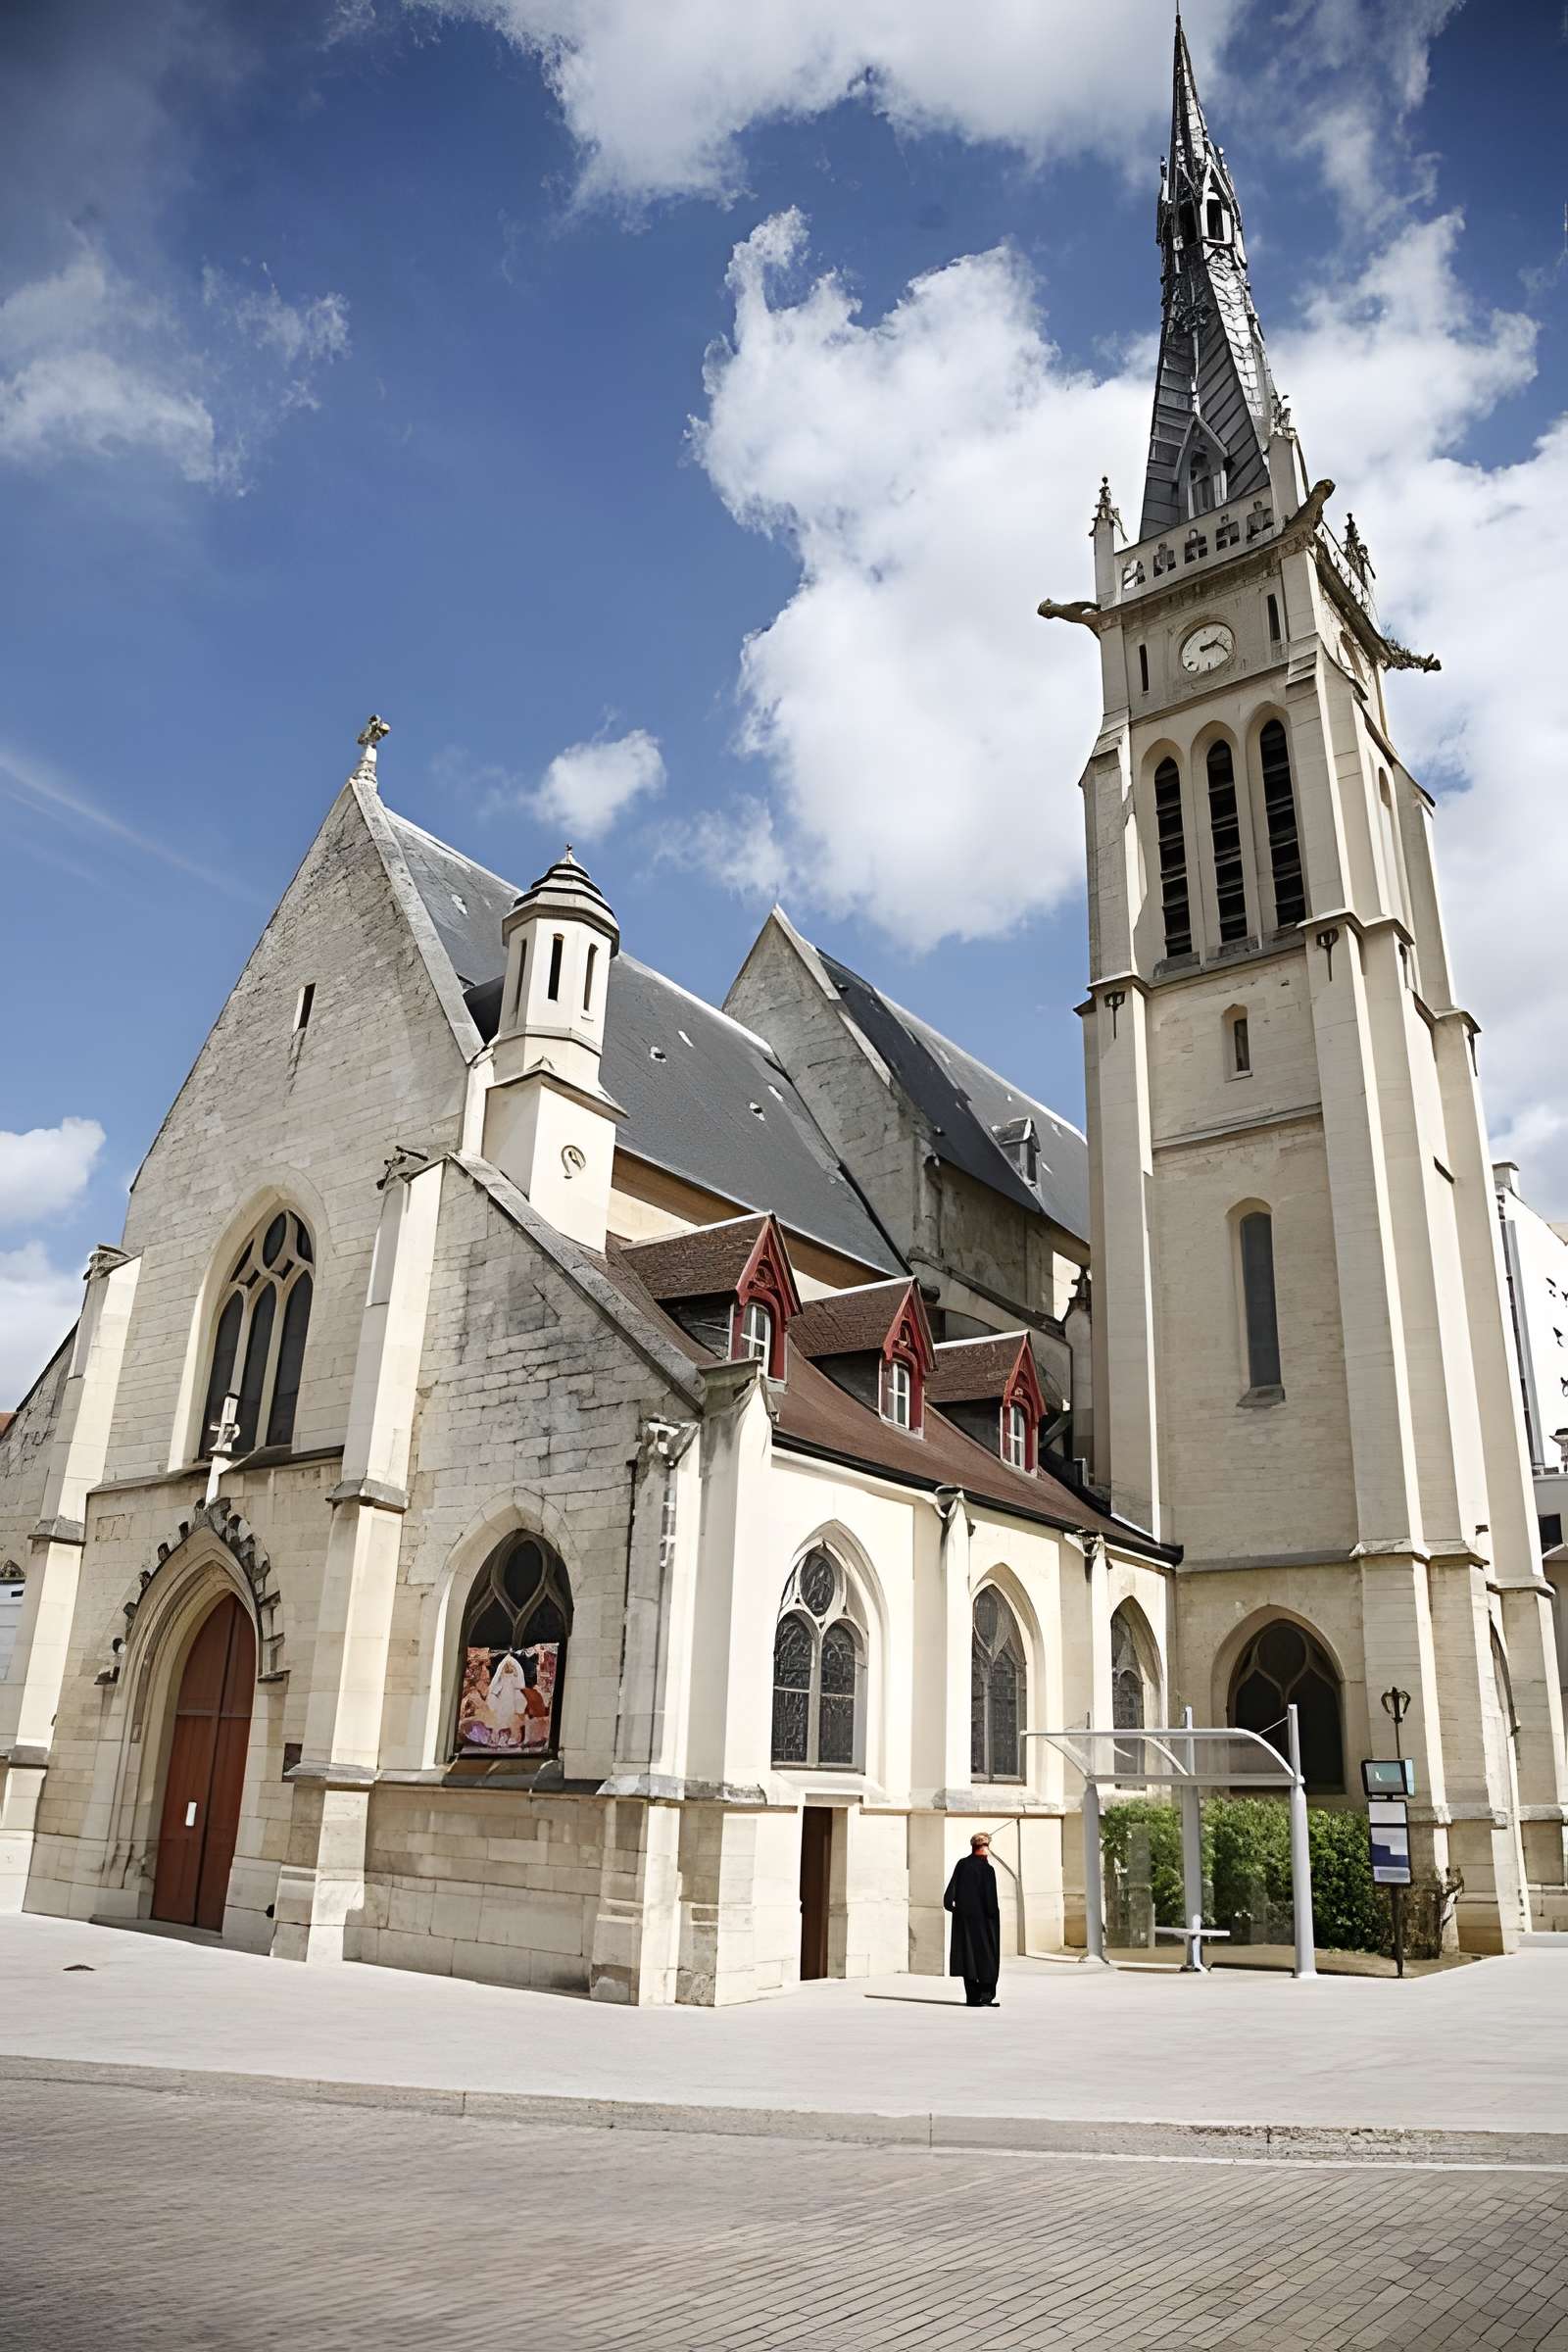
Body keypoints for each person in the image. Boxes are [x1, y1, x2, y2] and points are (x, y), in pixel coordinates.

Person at [944, 1833, 1002, 2007]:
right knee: (987, 1956)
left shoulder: (962, 1864)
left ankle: (973, 1998)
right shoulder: (987, 1869)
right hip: (984, 1922)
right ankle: (986, 1996)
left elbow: (949, 1897)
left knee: (968, 1957)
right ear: (985, 1847)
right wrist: (993, 1919)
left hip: (965, 1921)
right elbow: (990, 1902)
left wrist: (957, 1910)